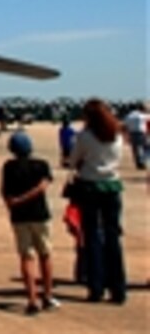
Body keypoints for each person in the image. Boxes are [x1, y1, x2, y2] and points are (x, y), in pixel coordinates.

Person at [69, 98, 127, 304]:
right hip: (112, 187)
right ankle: (118, 288)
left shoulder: (85, 136)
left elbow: (73, 160)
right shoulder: (117, 135)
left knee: (92, 236)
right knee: (113, 237)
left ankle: (96, 287)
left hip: (90, 187)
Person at [1, 131, 59, 315]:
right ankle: (48, 295)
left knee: (26, 257)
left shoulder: (9, 167)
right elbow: (45, 184)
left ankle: (32, 298)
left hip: (20, 217)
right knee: (45, 254)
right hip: (40, 214)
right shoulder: (41, 165)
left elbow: (5, 191)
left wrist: (14, 204)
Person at [121, 103, 147, 170]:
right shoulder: (142, 115)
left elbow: (124, 125)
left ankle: (138, 163)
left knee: (135, 150)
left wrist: (125, 135)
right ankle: (142, 163)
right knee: (143, 148)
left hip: (132, 133)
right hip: (141, 133)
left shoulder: (128, 116)